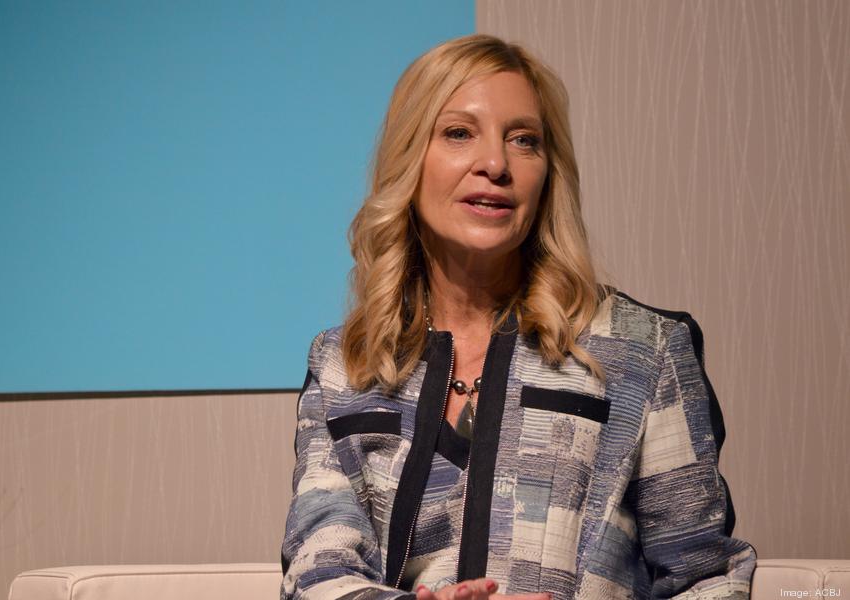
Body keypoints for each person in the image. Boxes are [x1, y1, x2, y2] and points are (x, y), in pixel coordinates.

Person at [280, 34, 756, 600]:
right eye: (459, 133)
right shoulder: (343, 365)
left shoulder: (644, 349)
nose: (495, 164)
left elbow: (706, 580)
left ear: (548, 173)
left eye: (524, 140)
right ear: (410, 159)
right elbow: (317, 573)